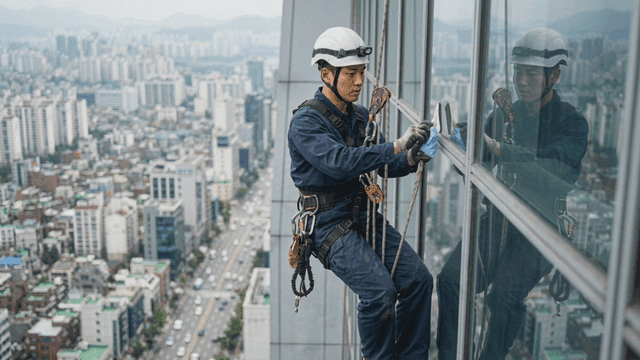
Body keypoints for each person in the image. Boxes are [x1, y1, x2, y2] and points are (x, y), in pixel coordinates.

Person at [436, 28, 589, 360]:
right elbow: (482, 158)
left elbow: (552, 171)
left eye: (531, 73)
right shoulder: (509, 114)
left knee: (502, 297)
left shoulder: (572, 124)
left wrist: (497, 147)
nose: (522, 80)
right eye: (518, 71)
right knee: (449, 280)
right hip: (502, 214)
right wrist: (459, 140)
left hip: (541, 226)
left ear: (555, 76)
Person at [288, 27, 434, 360]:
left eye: (362, 73)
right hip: (327, 224)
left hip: (361, 214)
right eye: (351, 73)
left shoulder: (360, 117)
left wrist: (409, 156)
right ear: (327, 74)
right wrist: (396, 144)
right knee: (379, 293)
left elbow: (385, 165)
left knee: (419, 281)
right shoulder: (306, 123)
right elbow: (340, 163)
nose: (359, 81)